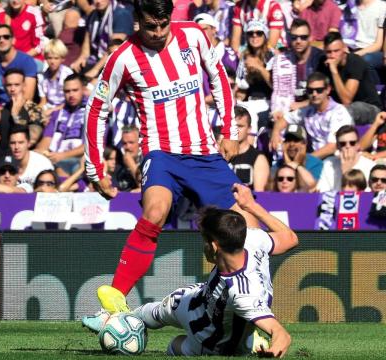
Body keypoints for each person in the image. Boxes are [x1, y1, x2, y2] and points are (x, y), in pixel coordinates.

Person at [83, 0, 250, 314]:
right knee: (155, 212)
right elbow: (96, 110)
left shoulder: (195, 35)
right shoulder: (122, 58)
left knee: (245, 227)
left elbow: (219, 78)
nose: (158, 33)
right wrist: (96, 168)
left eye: (163, 25)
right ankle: (114, 302)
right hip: (161, 154)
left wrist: (228, 129)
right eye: (150, 26)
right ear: (137, 21)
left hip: (204, 153)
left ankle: (252, 314)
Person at [86, 184, 297, 357]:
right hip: (201, 296)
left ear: (214, 246)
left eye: (204, 241)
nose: (203, 246)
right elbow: (290, 238)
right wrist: (251, 205)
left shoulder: (243, 295)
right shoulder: (251, 238)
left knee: (175, 346)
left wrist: (275, 348)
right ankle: (117, 317)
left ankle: (249, 341)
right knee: (158, 309)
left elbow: (281, 334)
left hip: (210, 337)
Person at [270, 72, 353, 160]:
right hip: (315, 159)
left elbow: (332, 147)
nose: (314, 94)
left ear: (328, 90)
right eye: (310, 91)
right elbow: (283, 120)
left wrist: (305, 160)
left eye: (319, 90)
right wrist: (275, 133)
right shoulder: (308, 110)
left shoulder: (338, 112)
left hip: (336, 159)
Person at [317, 31, 382, 125]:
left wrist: (334, 71)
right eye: (329, 52)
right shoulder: (323, 63)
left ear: (344, 48)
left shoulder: (355, 61)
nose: (332, 56)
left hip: (370, 108)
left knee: (344, 111)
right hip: (341, 107)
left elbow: (347, 100)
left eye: (336, 51)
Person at [40, 73, 86, 176]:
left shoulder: (93, 112)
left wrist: (63, 155)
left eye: (75, 90)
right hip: (55, 159)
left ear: (83, 89)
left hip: (79, 160)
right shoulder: (57, 113)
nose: (71, 95)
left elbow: (91, 146)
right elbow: (46, 140)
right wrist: (36, 154)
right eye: (67, 91)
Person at [0, 24, 38, 109]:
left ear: (13, 40)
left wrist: (7, 113)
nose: (1, 40)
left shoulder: (26, 61)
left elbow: (28, 96)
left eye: (6, 37)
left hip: (21, 109)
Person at [317, 125, 376, 192]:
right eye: (343, 144)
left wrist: (346, 173)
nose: (347, 146)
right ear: (338, 146)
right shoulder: (328, 164)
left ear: (358, 145)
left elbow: (366, 196)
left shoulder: (370, 166)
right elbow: (323, 194)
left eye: (352, 143)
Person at [229, 106, 270, 191]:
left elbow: (259, 194)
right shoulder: (220, 156)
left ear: (249, 129)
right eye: (233, 126)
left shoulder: (258, 158)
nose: (236, 130)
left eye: (240, 126)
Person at [9, 125, 53, 191]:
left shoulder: (42, 164)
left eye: (21, 143)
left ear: (29, 143)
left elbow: (49, 191)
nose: (16, 147)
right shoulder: (4, 162)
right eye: (12, 143)